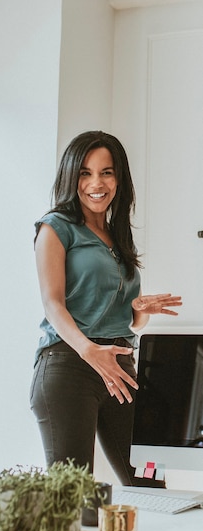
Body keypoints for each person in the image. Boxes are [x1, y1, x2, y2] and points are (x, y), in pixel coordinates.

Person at [30, 131, 182, 486]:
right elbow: (53, 304)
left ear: (119, 178)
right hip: (69, 365)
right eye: (85, 173)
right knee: (74, 497)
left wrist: (139, 309)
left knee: (150, 483)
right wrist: (89, 351)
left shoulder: (118, 235)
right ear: (71, 177)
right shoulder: (56, 228)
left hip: (121, 367)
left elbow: (128, 321)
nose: (96, 183)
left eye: (106, 172)